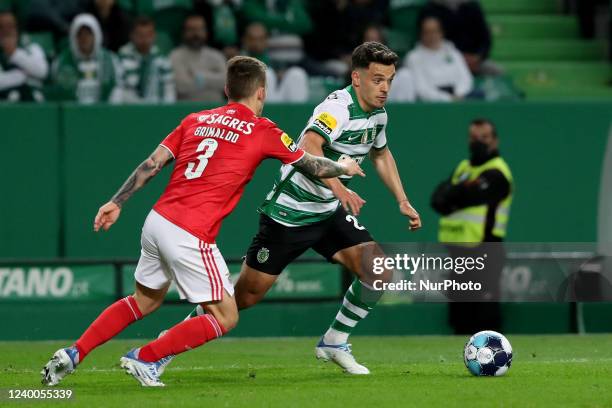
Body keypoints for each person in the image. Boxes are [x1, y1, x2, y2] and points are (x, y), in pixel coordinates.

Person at [41, 55, 365, 387]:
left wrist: (116, 201)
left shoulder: (195, 119)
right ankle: (146, 358)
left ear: (227, 89)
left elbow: (152, 164)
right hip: (189, 233)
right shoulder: (262, 129)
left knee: (143, 301)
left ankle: (73, 352)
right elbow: (312, 165)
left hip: (157, 221)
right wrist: (343, 167)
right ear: (262, 93)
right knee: (226, 316)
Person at [162, 42, 422, 375]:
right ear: (356, 78)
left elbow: (381, 155)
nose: (384, 87)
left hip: (328, 212)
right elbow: (308, 145)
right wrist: (339, 185)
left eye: (389, 80)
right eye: (377, 79)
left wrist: (401, 200)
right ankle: (170, 341)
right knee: (244, 298)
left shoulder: (379, 115)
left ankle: (334, 341)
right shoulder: (337, 108)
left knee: (379, 271)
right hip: (289, 215)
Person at [430, 118, 513, 334]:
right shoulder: (463, 168)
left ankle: (491, 357)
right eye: (474, 137)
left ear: (495, 141)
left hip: (485, 249)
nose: (478, 142)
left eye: (484, 138)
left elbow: (468, 195)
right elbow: (437, 200)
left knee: (485, 315)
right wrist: (458, 192)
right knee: (460, 314)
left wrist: (454, 193)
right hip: (458, 252)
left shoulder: (497, 172)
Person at [52, 13, 122, 104]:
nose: (84, 38)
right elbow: (58, 93)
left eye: (88, 34)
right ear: (73, 37)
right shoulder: (60, 62)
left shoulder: (111, 60)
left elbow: (116, 89)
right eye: (80, 35)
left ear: (96, 35)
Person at [405, 15, 473, 102]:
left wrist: (459, 93)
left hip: (460, 97)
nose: (432, 36)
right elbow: (421, 89)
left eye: (435, 31)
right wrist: (448, 99)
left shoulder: (453, 52)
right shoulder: (413, 57)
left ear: (441, 32)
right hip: (432, 105)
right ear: (421, 34)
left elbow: (466, 78)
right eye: (427, 32)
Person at [242, 22, 308, 102]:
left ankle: (298, 113)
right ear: (245, 40)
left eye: (261, 39)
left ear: (266, 40)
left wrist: (279, 75)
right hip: (251, 101)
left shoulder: (273, 57)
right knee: (266, 74)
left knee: (297, 73)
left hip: (275, 95)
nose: (257, 43)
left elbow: (281, 73)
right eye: (252, 39)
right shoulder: (238, 59)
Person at [118, 16, 175, 104]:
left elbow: (169, 92)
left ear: (154, 35)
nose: (144, 39)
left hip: (156, 111)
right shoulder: (121, 58)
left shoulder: (162, 60)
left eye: (148, 35)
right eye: (140, 35)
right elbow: (119, 90)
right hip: (129, 109)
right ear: (132, 35)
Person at [170, 14, 226, 102]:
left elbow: (226, 83)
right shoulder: (176, 56)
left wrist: (199, 77)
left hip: (215, 111)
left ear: (206, 31)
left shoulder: (216, 55)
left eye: (200, 29)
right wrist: (213, 77)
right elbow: (181, 86)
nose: (196, 34)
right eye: (191, 29)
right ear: (184, 32)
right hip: (186, 111)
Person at [0, 10, 48, 102]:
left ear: (17, 29)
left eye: (10, 26)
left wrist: (14, 53)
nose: (6, 31)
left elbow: (42, 71)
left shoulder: (32, 48)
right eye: (1, 27)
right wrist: (22, 76)